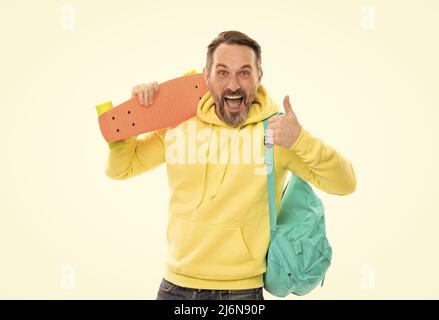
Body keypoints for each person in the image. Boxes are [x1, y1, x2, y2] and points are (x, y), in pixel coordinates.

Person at [104, 30, 357, 300]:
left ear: (260, 75)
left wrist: (301, 140)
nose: (233, 85)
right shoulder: (179, 124)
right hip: (174, 287)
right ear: (206, 76)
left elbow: (345, 184)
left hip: (241, 292)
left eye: (244, 73)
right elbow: (121, 168)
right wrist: (135, 118)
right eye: (223, 72)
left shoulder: (276, 132)